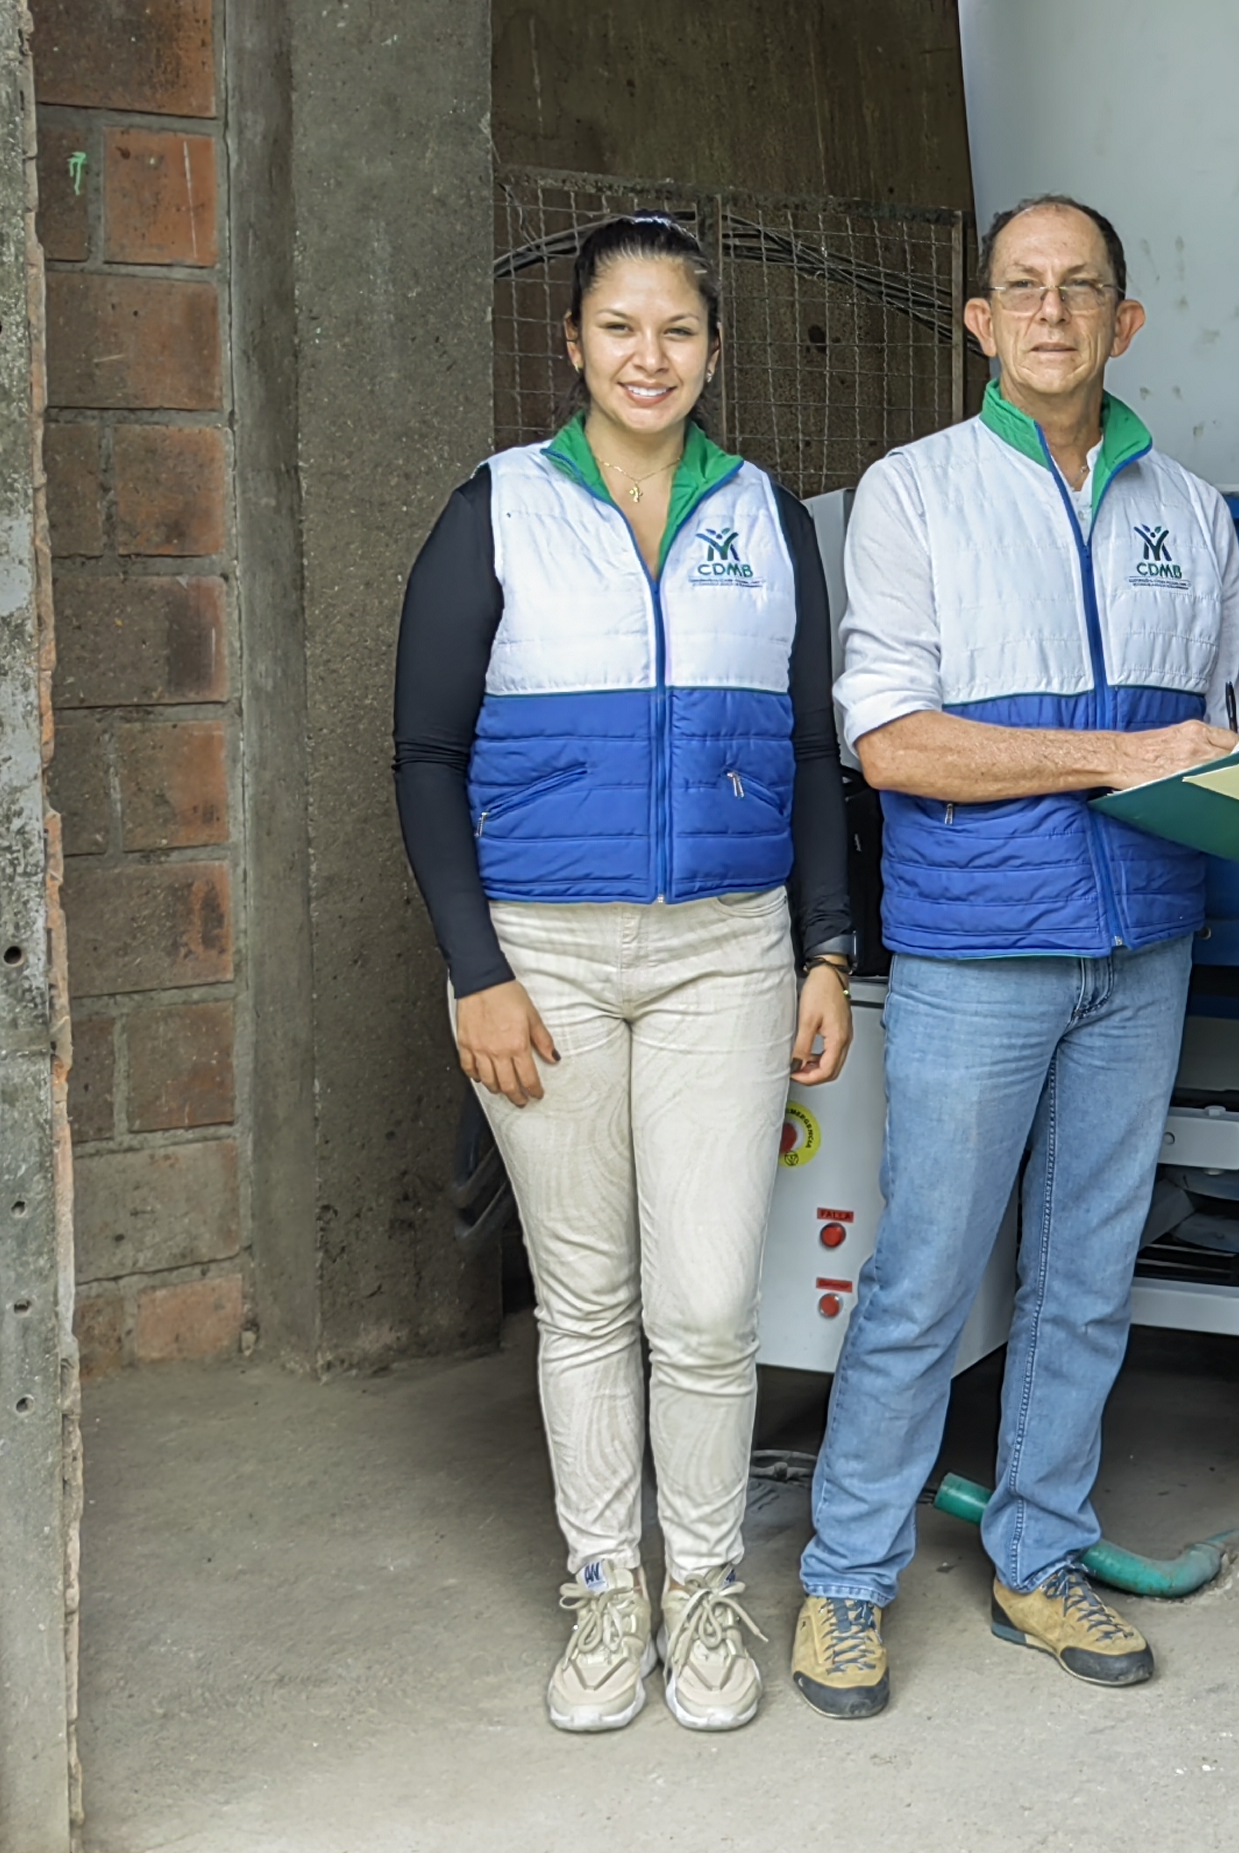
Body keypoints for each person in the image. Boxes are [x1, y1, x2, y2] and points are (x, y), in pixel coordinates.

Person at [391, 212, 860, 1734]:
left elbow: (809, 754)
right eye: (618, 328)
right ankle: (607, 1591)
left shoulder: (770, 521)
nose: (647, 356)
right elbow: (426, 756)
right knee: (586, 1299)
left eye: (676, 330)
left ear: (711, 352)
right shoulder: (497, 511)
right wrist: (476, 970)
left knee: (711, 1303)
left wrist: (825, 947)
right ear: (573, 345)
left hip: (730, 949)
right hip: (545, 956)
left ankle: (707, 1590)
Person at [788, 195, 1239, 1719]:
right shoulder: (912, 496)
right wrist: (1112, 759)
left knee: (1087, 1277)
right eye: (1022, 290)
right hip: (983, 949)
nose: (1052, 314)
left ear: (1125, 322)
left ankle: (1040, 1559)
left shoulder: (1193, 510)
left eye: (1082, 290)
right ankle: (846, 1583)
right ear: (981, 322)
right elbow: (897, 745)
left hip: (1146, 946)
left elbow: (1217, 732)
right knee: (922, 1275)